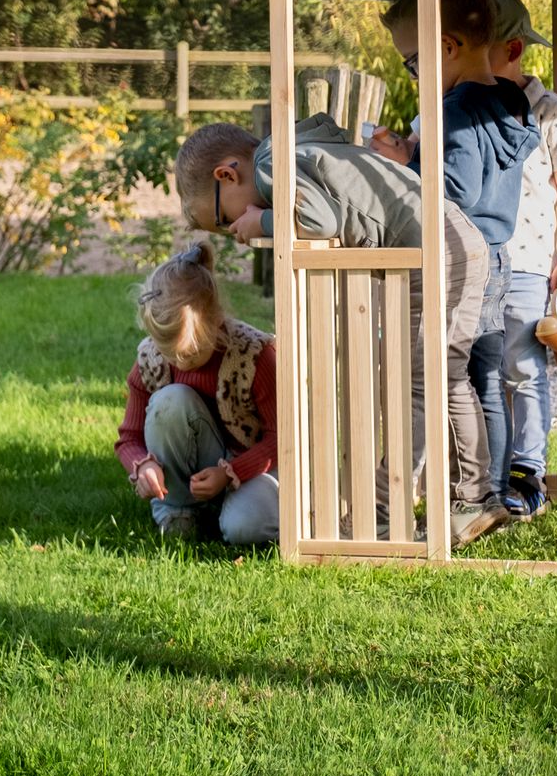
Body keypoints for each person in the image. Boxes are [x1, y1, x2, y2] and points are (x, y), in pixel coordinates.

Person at [174, 114, 505, 547]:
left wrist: (264, 222)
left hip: (435, 254)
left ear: (227, 173)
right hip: (456, 241)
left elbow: (319, 220)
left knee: (419, 385)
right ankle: (469, 497)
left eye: (221, 218)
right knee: (443, 377)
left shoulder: (273, 167)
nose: (231, 230)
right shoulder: (291, 154)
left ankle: (391, 510)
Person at [368, 0, 540, 510]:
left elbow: (455, 189)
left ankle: (475, 493)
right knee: (483, 375)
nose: (414, 75)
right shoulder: (507, 101)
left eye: (413, 63)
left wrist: (405, 162)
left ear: (448, 47)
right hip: (496, 255)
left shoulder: (457, 110)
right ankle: (487, 490)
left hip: (464, 261)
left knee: (452, 374)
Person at [484, 0, 557, 518]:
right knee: (483, 369)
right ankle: (489, 472)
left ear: (512, 51)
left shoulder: (548, 111)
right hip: (476, 264)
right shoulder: (461, 105)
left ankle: (527, 472)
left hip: (527, 261)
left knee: (522, 368)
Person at [116, 242, 280, 544]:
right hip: (197, 466)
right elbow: (129, 438)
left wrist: (231, 473)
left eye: (189, 352)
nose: (179, 362)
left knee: (246, 528)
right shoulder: (151, 359)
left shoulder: (254, 355)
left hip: (254, 467)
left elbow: (281, 437)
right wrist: (143, 466)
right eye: (169, 352)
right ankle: (178, 510)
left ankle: (230, 513)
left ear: (216, 321)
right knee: (169, 401)